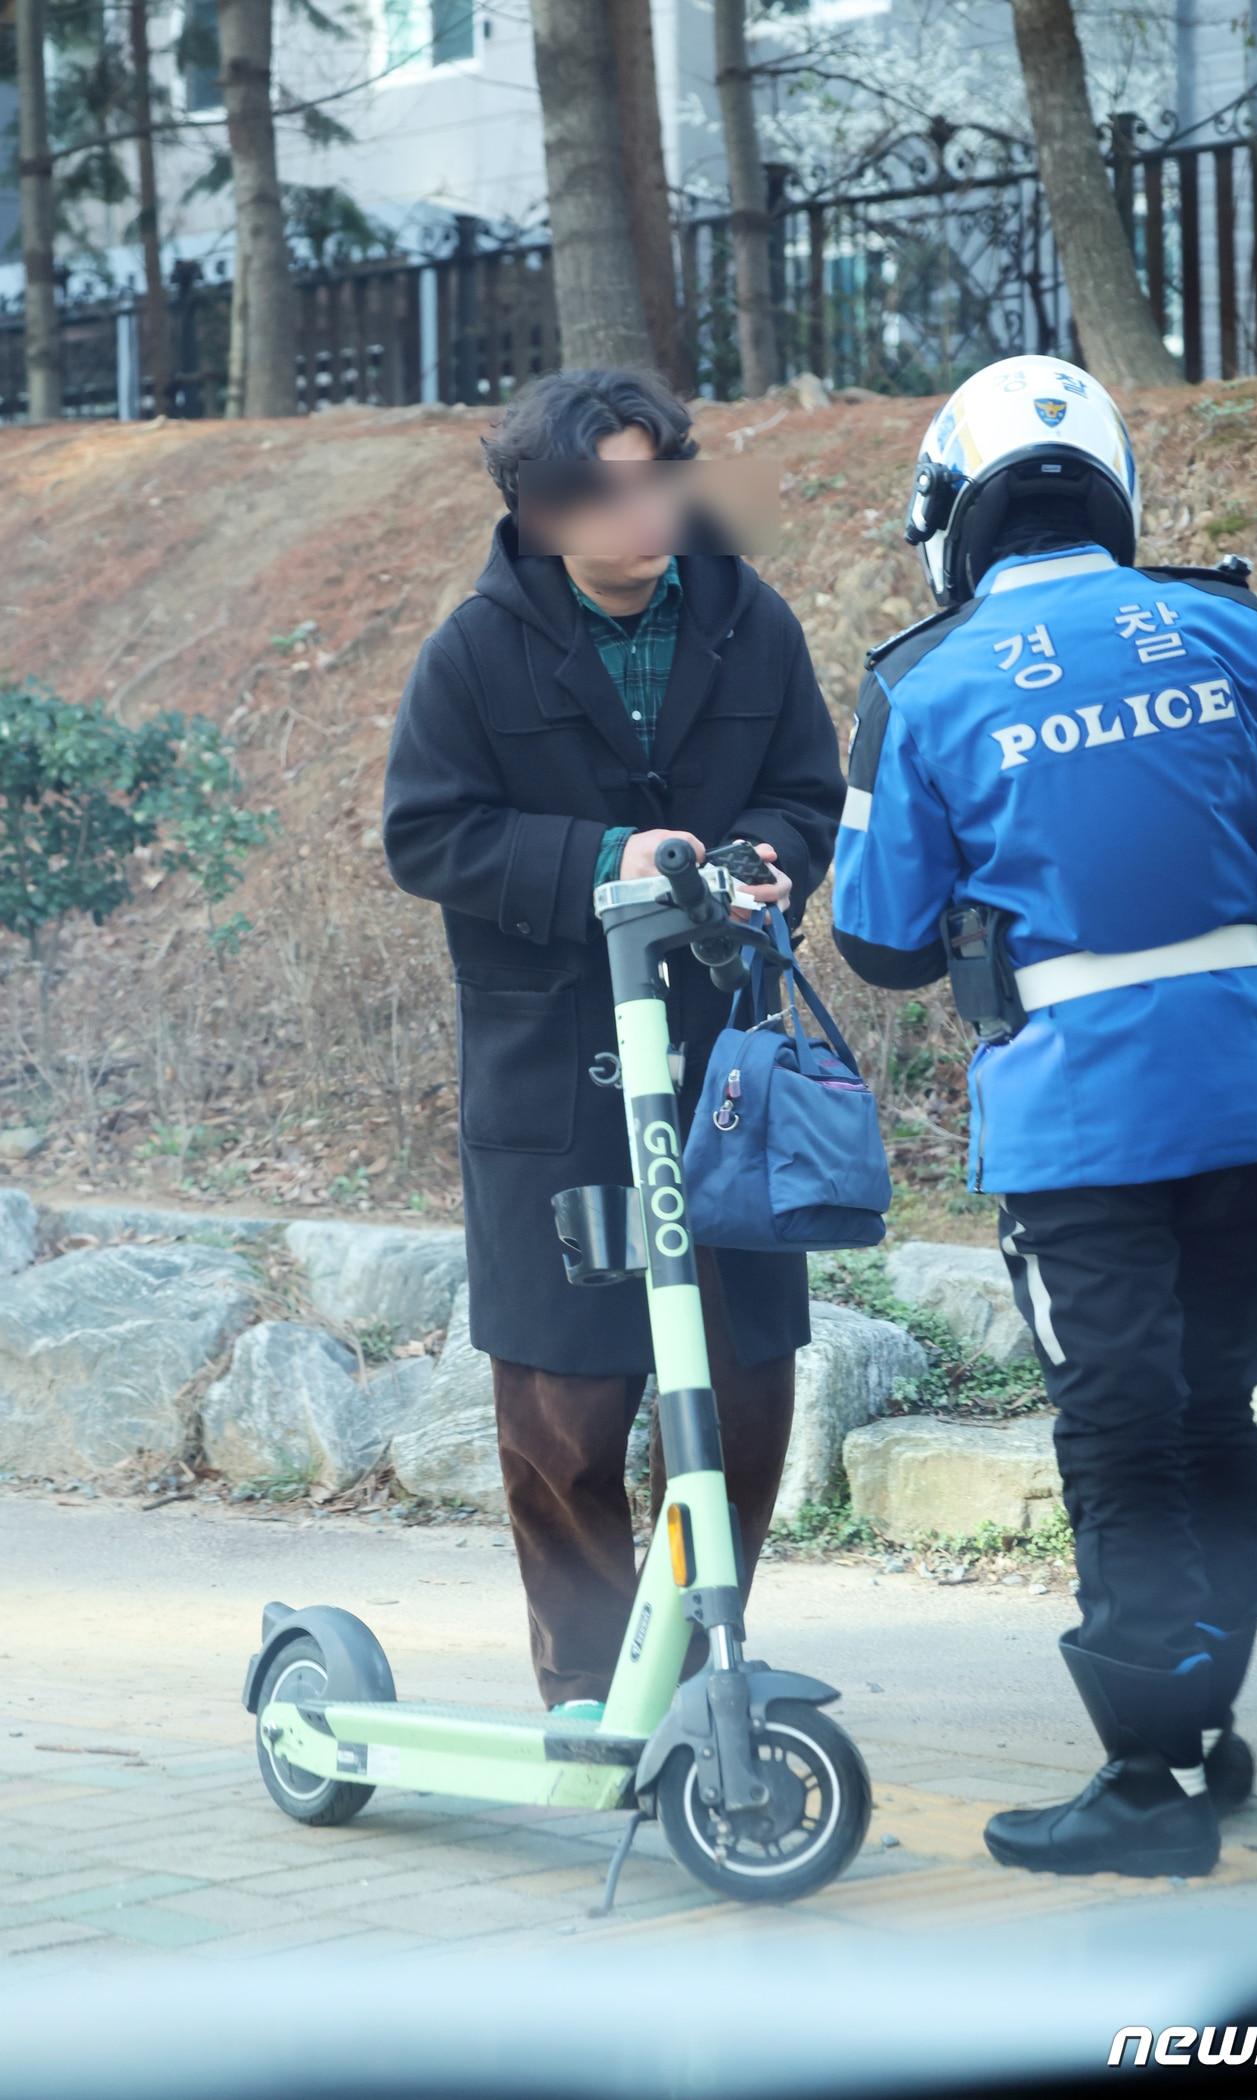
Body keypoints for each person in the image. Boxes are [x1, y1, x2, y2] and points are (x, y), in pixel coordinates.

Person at [832, 353, 1257, 1879]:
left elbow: (878, 943)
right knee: (1211, 1404)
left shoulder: (923, 684)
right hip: (1243, 1090)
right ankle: (1200, 1729)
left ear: (958, 513)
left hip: (1078, 1119)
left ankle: (1145, 1786)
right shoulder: (1226, 625)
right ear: (1111, 494)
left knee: (1119, 1422)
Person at [382, 368, 843, 1719]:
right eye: (600, 487)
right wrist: (605, 859)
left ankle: (702, 1671)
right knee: (566, 1415)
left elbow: (807, 792)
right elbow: (427, 833)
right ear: (535, 510)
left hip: (725, 1073)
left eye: (656, 474)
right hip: (555, 1078)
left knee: (744, 1395)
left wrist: (763, 862)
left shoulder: (749, 621)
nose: (637, 509)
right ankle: (590, 1688)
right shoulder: (475, 648)